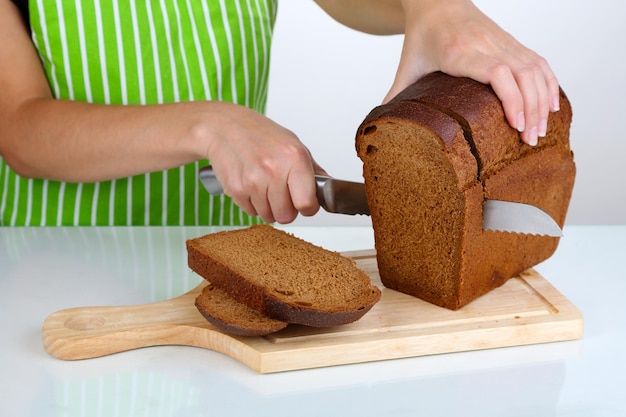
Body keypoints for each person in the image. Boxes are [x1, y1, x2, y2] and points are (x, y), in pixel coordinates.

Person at [0, 0, 560, 227]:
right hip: (53, 256)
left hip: (229, 246)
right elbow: (19, 125)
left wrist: (435, 9)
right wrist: (211, 126)